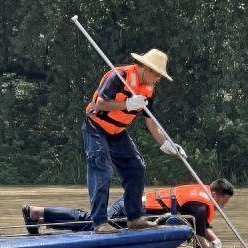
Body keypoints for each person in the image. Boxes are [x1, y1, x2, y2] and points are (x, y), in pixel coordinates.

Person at [79, 48, 187, 234]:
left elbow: (150, 121)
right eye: (158, 74)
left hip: (118, 132)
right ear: (147, 69)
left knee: (137, 167)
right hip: (96, 128)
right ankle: (99, 222)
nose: (159, 79)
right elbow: (99, 104)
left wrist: (165, 143)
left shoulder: (149, 90)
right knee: (103, 169)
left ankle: (134, 218)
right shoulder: (118, 76)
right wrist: (127, 104)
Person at [23, 179, 234, 248]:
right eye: (222, 201)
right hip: (129, 208)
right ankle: (36, 212)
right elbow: (198, 237)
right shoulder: (201, 205)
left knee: (88, 222)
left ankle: (41, 218)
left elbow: (203, 228)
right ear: (215, 193)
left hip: (132, 206)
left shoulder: (199, 196)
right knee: (90, 223)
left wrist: (216, 242)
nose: (222, 206)